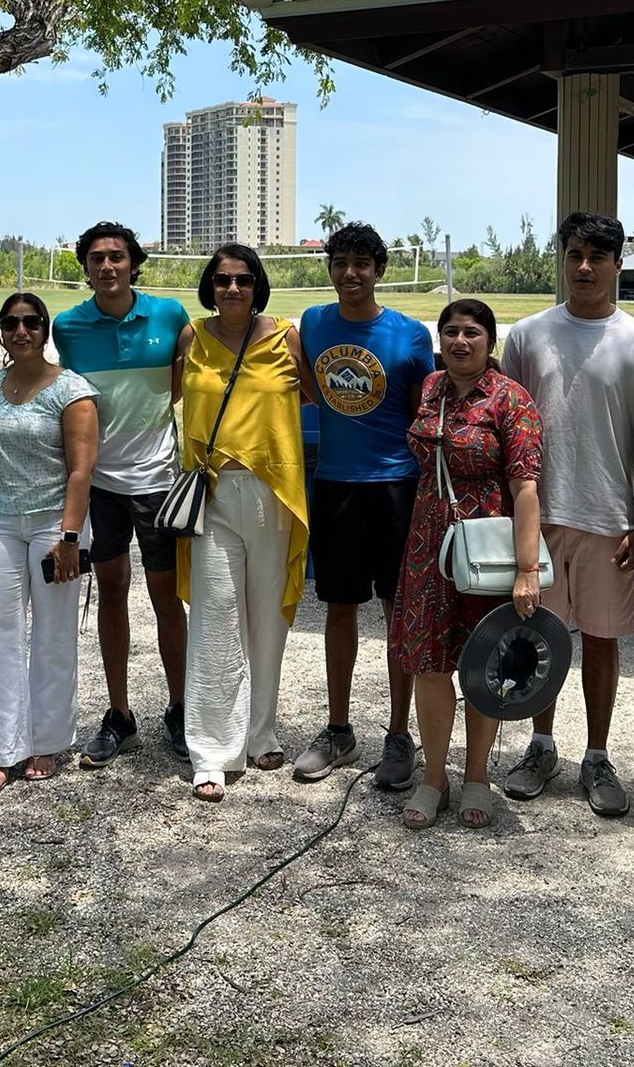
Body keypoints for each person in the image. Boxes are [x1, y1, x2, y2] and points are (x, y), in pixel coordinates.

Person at [499, 211, 634, 815]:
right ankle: (541, 745)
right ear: (561, 260)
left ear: (618, 264)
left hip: (608, 516)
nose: (584, 266)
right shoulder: (528, 335)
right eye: (573, 254)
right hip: (537, 512)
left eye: (597, 256)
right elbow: (504, 422)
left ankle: (596, 754)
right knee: (537, 634)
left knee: (601, 640)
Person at [394, 300, 545, 830]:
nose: (461, 341)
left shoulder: (510, 399)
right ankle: (434, 777)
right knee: (429, 661)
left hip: (485, 543)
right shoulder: (432, 387)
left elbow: (526, 486)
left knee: (483, 663)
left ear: (490, 341)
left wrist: (528, 569)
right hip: (427, 539)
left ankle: (477, 775)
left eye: (472, 333)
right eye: (451, 332)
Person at [294, 222, 434, 791]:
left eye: (361, 263)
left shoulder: (408, 335)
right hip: (335, 483)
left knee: (398, 610)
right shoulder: (312, 323)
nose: (350, 273)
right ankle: (338, 729)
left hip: (397, 485)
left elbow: (429, 410)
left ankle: (399, 734)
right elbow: (307, 386)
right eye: (340, 262)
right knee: (339, 607)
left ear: (379, 270)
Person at [53, 222, 192, 768]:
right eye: (96, 258)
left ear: (134, 264)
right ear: (84, 267)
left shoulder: (168, 314)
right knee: (111, 592)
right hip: (99, 486)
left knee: (166, 599)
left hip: (158, 483)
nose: (107, 266)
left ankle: (179, 709)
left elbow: (180, 381)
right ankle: (120, 715)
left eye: (116, 257)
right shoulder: (68, 326)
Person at [175, 244, 310, 803]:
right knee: (214, 618)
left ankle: (260, 732)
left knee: (268, 617)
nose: (233, 289)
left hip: (274, 491)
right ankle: (211, 749)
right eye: (223, 280)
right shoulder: (192, 339)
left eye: (244, 280)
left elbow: (322, 396)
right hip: (212, 492)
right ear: (211, 286)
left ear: (258, 286)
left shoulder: (287, 337)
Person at [0, 293, 100, 790]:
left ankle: (46, 742)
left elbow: (81, 471)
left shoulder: (71, 390)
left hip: (55, 525)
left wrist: (70, 538)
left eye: (30, 322)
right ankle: (3, 748)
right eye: (10, 323)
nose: (20, 330)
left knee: (52, 635)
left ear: (45, 330)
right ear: (0, 330)